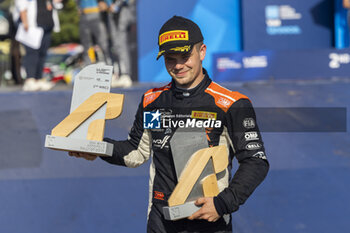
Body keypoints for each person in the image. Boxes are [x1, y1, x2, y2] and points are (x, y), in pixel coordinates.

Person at [69, 16, 269, 232]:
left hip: (210, 219)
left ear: (202, 51)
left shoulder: (232, 103)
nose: (178, 65)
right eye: (170, 59)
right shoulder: (152, 100)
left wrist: (222, 204)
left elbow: (256, 162)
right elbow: (135, 152)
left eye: (185, 56)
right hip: (161, 221)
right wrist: (97, 147)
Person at [15, 0, 61, 91]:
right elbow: (21, 5)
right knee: (32, 53)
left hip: (47, 26)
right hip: (33, 27)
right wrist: (25, 22)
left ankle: (38, 79)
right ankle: (30, 80)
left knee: (42, 54)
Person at [76, 0, 112, 66]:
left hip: (96, 14)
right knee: (86, 45)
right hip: (84, 15)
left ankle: (109, 66)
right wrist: (78, 7)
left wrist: (108, 4)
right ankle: (89, 68)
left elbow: (108, 5)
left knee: (103, 43)